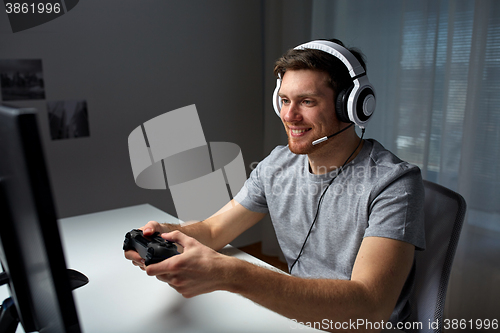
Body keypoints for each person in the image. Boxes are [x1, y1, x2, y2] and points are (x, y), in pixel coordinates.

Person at [124, 39, 425, 332]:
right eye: (284, 100)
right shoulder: (277, 165)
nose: (289, 116)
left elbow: (370, 310)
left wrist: (235, 275)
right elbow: (215, 230)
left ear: (352, 105)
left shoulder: (394, 183)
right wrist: (170, 234)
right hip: (299, 316)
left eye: (307, 101)